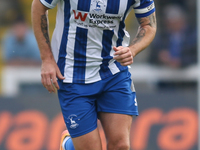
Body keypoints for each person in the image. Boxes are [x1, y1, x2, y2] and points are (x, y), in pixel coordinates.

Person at [31, 0, 157, 149]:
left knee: (121, 145)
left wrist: (133, 49)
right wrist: (47, 59)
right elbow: (38, 6)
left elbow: (149, 25)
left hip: (114, 71)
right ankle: (69, 145)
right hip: (73, 74)